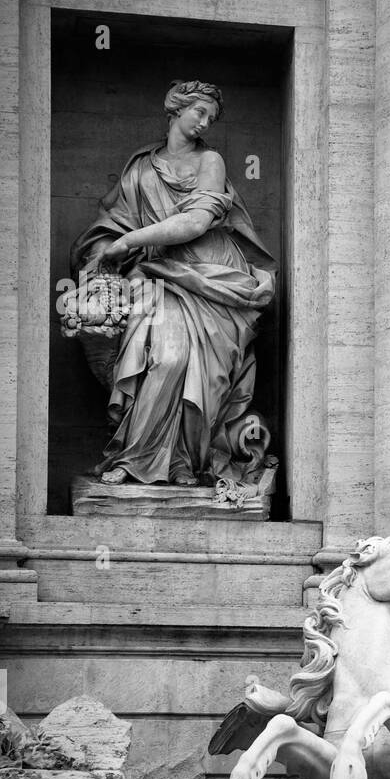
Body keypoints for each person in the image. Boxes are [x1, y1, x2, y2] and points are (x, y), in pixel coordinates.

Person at [69, 80, 277, 487]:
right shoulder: (140, 168)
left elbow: (196, 222)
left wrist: (130, 242)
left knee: (197, 369)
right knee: (167, 358)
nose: (204, 122)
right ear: (175, 109)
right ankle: (135, 460)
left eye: (211, 118)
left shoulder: (210, 161)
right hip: (157, 275)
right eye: (198, 112)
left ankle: (185, 462)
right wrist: (111, 248)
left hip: (211, 276)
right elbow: (112, 224)